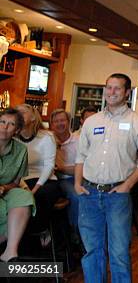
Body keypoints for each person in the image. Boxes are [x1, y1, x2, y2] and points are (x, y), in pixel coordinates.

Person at [75, 73, 138, 283]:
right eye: (108, 87)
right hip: (89, 193)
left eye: (117, 88)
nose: (111, 92)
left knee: (119, 252)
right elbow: (80, 155)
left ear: (127, 92)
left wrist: (127, 185)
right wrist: (76, 184)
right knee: (92, 251)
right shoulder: (92, 121)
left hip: (117, 194)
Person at [16, 103, 61, 237]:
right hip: (21, 180)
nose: (18, 115)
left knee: (39, 196)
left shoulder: (47, 137)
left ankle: (40, 230)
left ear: (33, 117)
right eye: (16, 112)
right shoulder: (13, 137)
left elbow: (49, 165)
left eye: (23, 112)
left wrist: (34, 189)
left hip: (45, 179)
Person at [0, 108, 35, 262]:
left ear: (17, 130)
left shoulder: (21, 150)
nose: (5, 127)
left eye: (11, 124)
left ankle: (10, 253)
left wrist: (3, 188)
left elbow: (15, 183)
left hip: (5, 190)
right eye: (2, 122)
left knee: (24, 195)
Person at [49, 109, 79, 232]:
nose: (59, 123)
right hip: (52, 180)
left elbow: (83, 168)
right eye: (56, 121)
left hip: (73, 178)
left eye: (62, 120)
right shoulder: (48, 140)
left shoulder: (78, 140)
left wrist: (62, 169)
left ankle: (76, 231)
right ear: (52, 124)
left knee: (79, 195)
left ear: (68, 122)